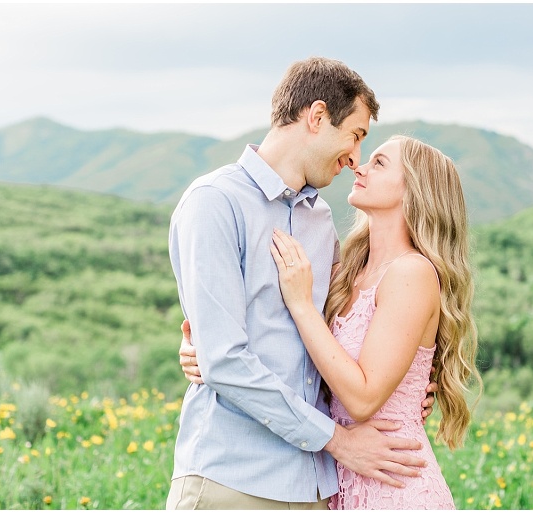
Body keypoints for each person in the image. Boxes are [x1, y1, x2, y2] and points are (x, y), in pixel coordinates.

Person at [166, 57, 436, 510]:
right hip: (233, 480)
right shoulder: (215, 203)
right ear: (316, 118)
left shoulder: (320, 221)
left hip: (315, 488)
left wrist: (409, 389)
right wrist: (336, 440)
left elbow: (344, 333)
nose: (355, 158)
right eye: (355, 135)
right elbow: (225, 360)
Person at [182, 134, 482, 509]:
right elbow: (299, 348)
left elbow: (362, 398)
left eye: (380, 163)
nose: (360, 165)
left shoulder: (412, 273)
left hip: (392, 480)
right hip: (337, 480)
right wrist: (204, 349)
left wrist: (302, 303)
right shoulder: (347, 270)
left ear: (415, 191)